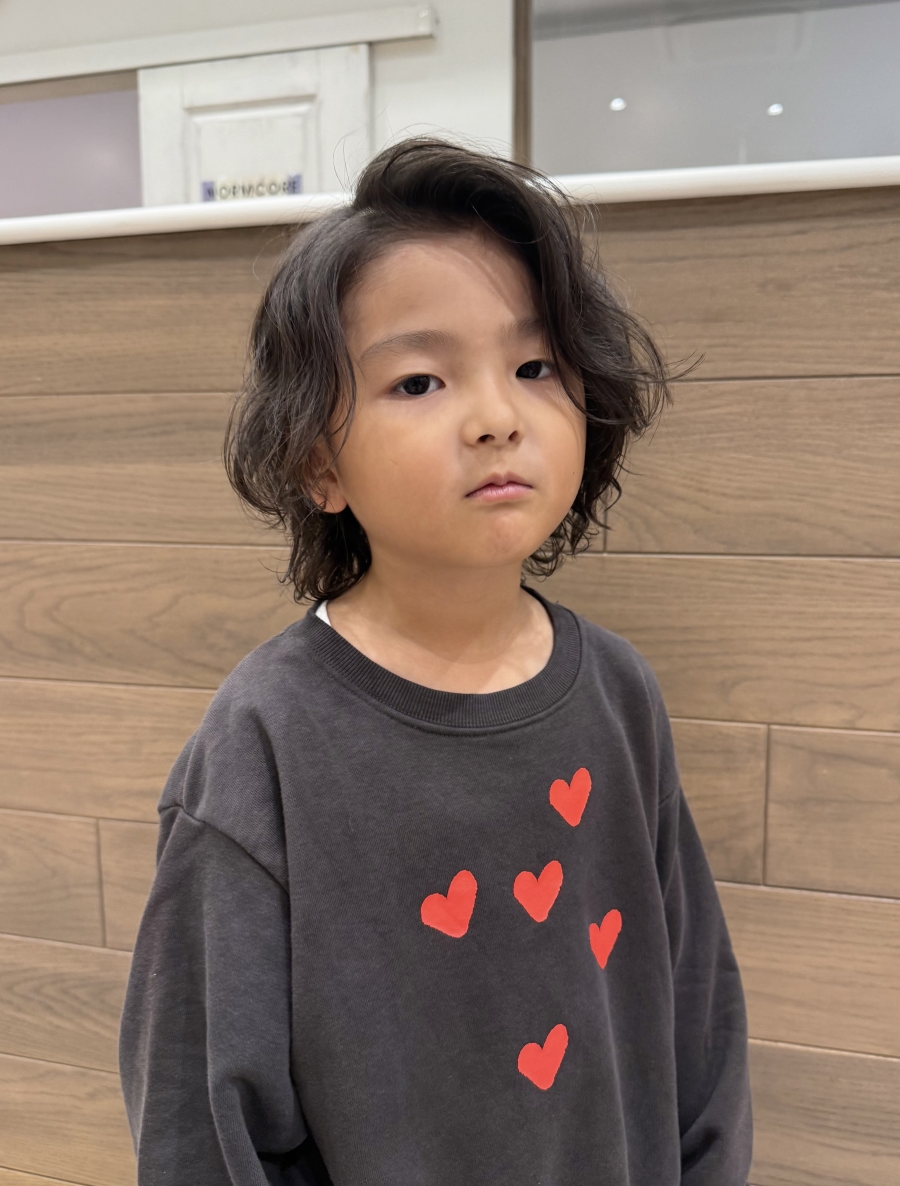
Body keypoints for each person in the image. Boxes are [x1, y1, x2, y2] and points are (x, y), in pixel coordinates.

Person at [119, 137, 752, 1185]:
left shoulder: (619, 694)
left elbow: (696, 1017)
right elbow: (200, 1113)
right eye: (419, 380)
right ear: (318, 461)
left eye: (535, 367)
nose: (497, 417)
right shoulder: (266, 741)